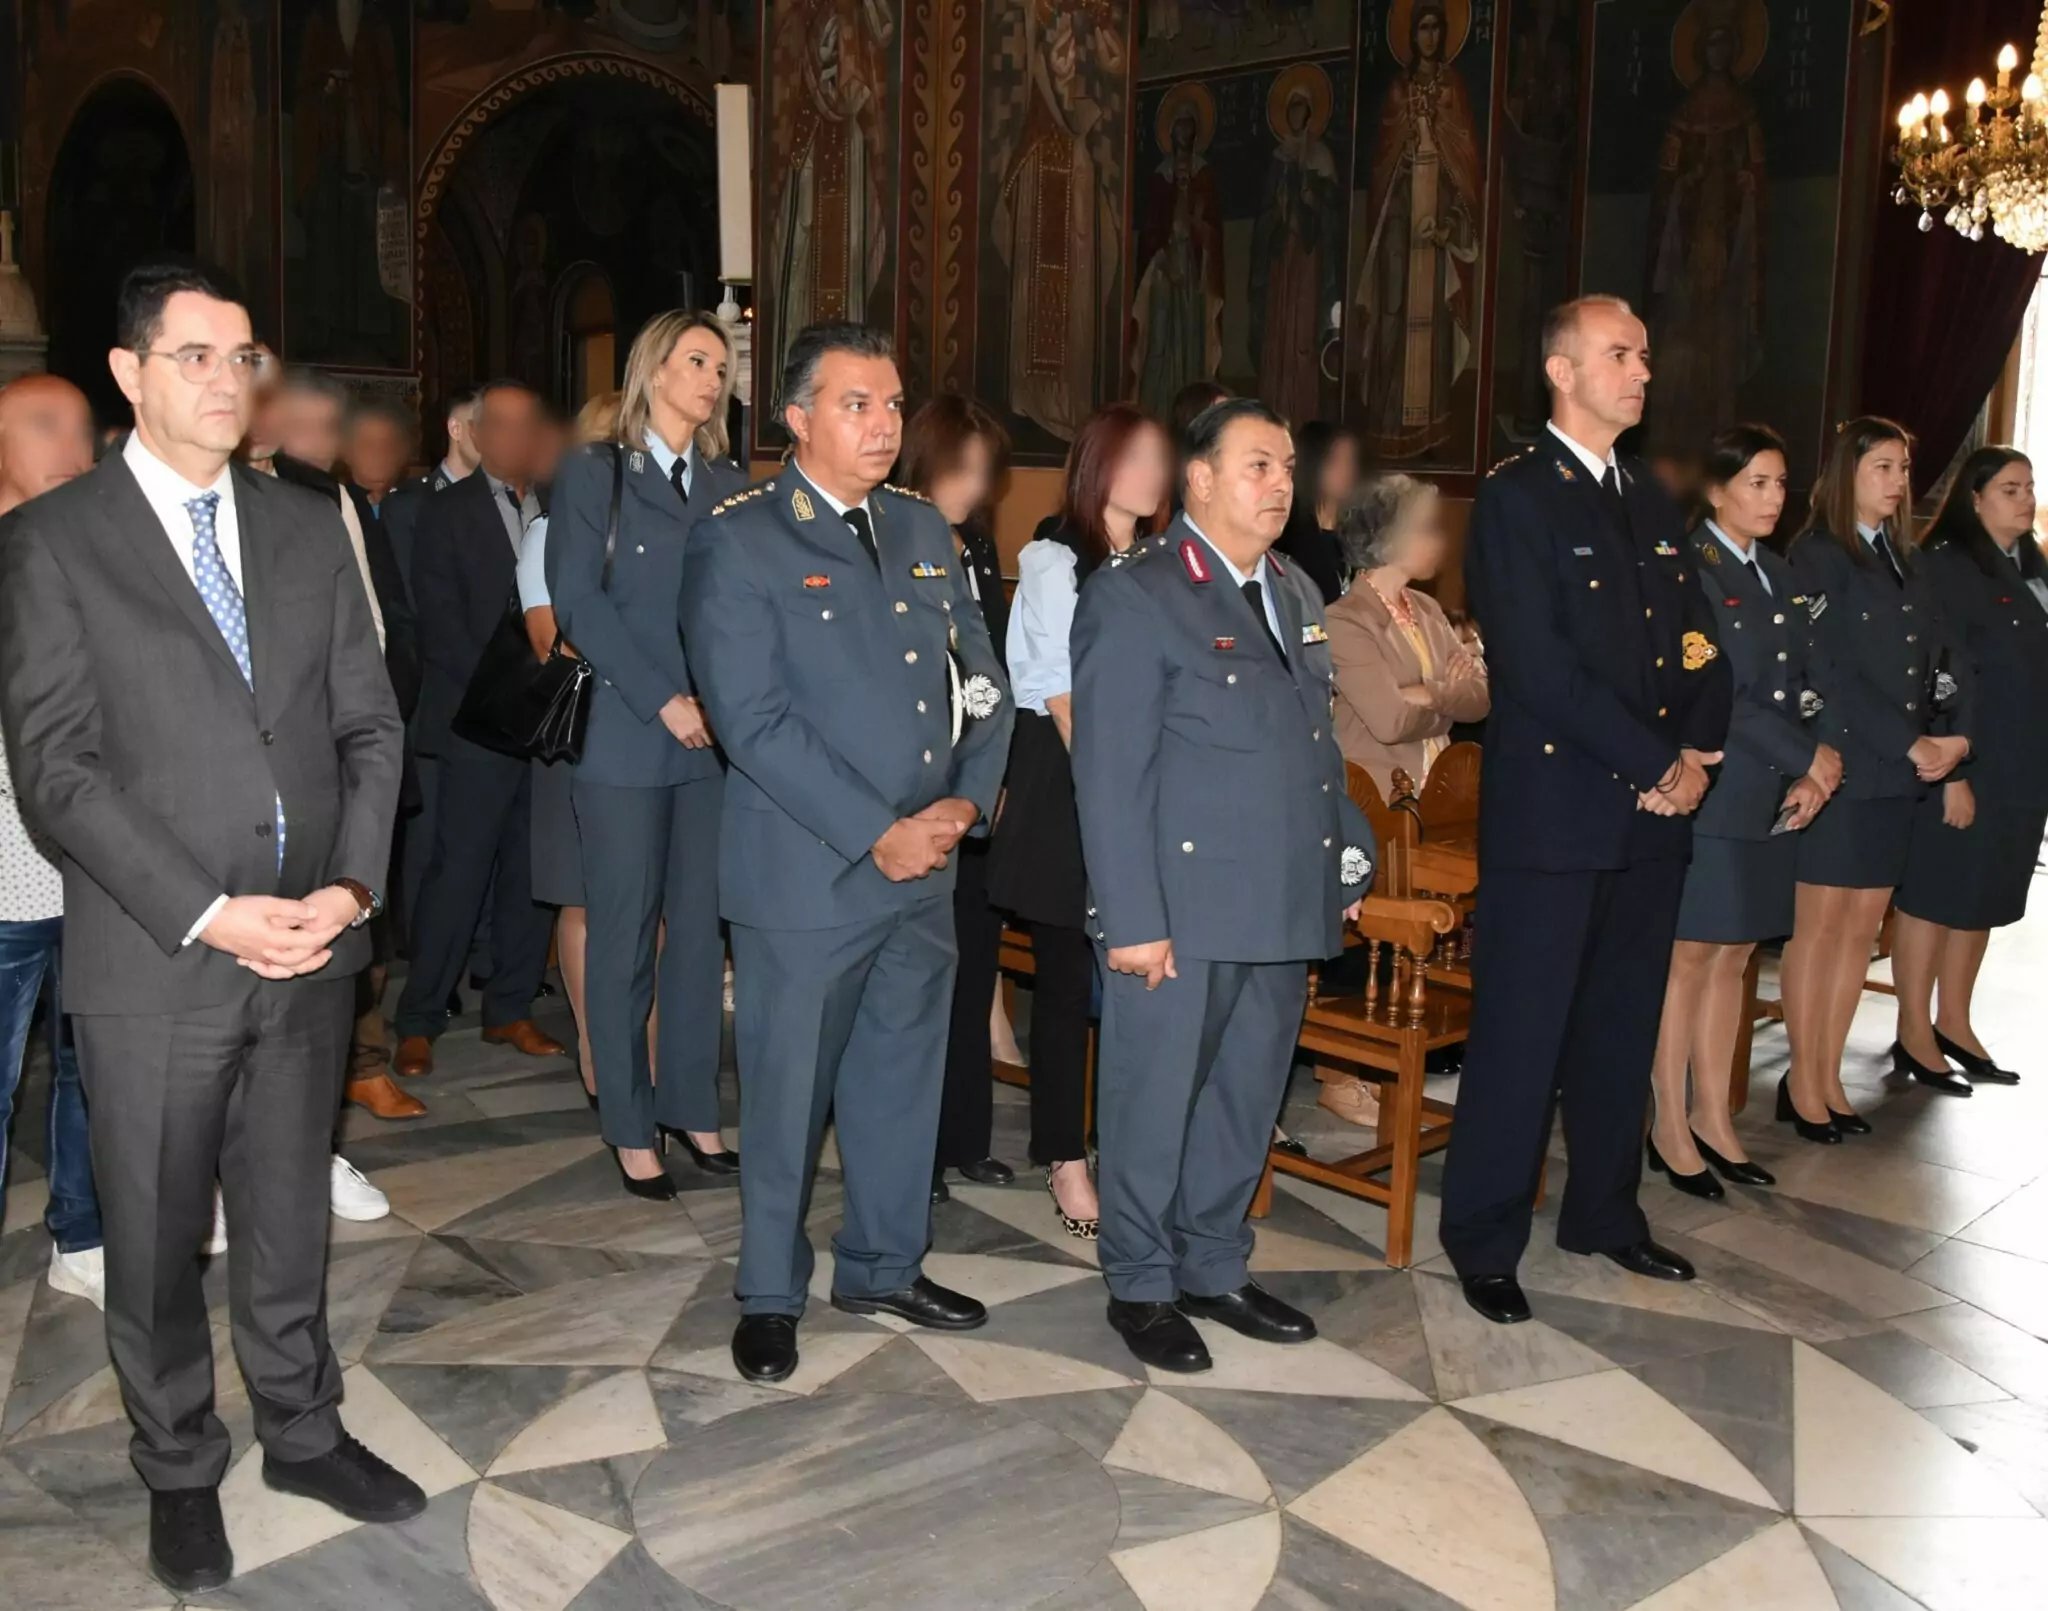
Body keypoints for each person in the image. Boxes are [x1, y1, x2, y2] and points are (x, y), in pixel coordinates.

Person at [0, 257, 421, 1595]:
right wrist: (209, 911)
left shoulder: (304, 523)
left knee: (289, 1208)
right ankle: (178, 1464)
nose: (229, 379)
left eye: (242, 356)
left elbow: (371, 723)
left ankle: (302, 1430)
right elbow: (58, 770)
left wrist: (351, 890)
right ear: (129, 373)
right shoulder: (56, 539)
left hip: (311, 941)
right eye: (196, 355)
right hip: (158, 951)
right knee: (155, 1229)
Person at [681, 322, 1013, 1385]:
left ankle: (882, 1264)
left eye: (893, 404)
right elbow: (753, 722)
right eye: (856, 404)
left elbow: (982, 680)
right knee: (788, 1096)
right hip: (809, 874)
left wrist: (964, 802)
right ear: (796, 418)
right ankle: (769, 1295)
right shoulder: (741, 539)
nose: (882, 424)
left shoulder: (920, 526)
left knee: (901, 1080)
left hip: (926, 865)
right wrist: (880, 831)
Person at [1436, 296, 1730, 1328]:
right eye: (1619, 354)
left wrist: (1697, 749)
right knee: (1522, 1037)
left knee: (1618, 1027)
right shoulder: (1517, 497)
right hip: (1557, 817)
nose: (1641, 371)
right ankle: (1483, 1238)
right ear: (1561, 372)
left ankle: (1605, 1213)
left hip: (1652, 815)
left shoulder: (1646, 495)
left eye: (1644, 354)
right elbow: (1538, 665)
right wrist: (1654, 759)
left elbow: (1696, 638)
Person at [1071, 396, 1376, 1374]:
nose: (1280, 483)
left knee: (1244, 1099)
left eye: (1285, 465)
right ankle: (1140, 1282)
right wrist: (1131, 918)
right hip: (1181, 908)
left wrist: (1343, 857)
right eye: (1257, 465)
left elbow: (1315, 748)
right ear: (1197, 478)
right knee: (1154, 1103)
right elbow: (1109, 773)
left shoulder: (1293, 589)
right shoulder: (1140, 592)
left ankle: (1212, 1263)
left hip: (1280, 896)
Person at [549, 313, 746, 1196]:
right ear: (654, 368)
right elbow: (577, 602)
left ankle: (693, 1108)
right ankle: (630, 1125)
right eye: (697, 360)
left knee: (700, 934)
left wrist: (723, 704)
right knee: (625, 934)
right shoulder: (597, 471)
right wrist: (662, 697)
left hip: (711, 740)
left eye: (722, 366)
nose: (712, 377)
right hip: (628, 733)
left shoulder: (730, 484)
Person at [989, 404, 1172, 1239]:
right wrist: (1116, 798)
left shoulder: (1166, 562)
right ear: (1097, 464)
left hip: (1151, 788)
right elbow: (1064, 699)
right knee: (1066, 984)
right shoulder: (1054, 558)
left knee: (1142, 983)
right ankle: (1064, 1156)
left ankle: (1134, 1149)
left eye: (1158, 458)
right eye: (1133, 458)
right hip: (1073, 788)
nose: (1150, 473)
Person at [1646, 425, 1837, 1197]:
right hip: (1718, 787)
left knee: (1736, 955)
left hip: (1772, 791)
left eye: (1781, 482)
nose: (1773, 497)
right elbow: (1722, 689)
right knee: (1690, 956)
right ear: (1717, 488)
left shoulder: (1778, 573)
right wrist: (1805, 756)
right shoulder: (1694, 568)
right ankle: (1668, 1120)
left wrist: (1816, 767)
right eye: (1757, 482)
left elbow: (1807, 681)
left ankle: (1713, 1116)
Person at [1781, 418, 1973, 1138]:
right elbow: (1830, 672)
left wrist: (1954, 737)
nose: (1898, 482)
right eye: (1882, 467)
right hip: (1841, 765)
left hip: (1896, 772)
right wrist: (1908, 740)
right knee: (1820, 929)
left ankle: (1828, 1074)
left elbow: (1937, 654)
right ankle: (1802, 1080)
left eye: (1903, 468)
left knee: (1860, 933)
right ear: (1848, 473)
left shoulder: (1906, 558)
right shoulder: (1818, 554)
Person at [247, 368, 421, 1138]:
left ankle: (359, 1067)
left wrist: (371, 723)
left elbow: (379, 624)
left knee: (357, 912)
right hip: (265, 768)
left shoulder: (332, 500)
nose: (322, 442)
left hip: (347, 744)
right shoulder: (232, 503)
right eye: (306, 425)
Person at [392, 381, 566, 1075]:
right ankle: (419, 1017)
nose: (517, 437)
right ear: (480, 432)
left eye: (529, 425)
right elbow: (440, 626)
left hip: (546, 726)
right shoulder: (442, 511)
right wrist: (514, 697)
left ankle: (510, 1007)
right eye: (504, 424)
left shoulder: (558, 507)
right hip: (477, 722)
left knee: (530, 870)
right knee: (457, 873)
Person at [1891, 447, 2048, 1086]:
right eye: (2010, 488)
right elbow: (1936, 672)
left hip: (2021, 762)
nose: (2026, 498)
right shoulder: (1947, 566)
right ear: (1974, 498)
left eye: (2030, 487)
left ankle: (1954, 1020)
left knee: (1983, 896)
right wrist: (1952, 773)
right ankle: (1912, 1031)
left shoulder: (2031, 567)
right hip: (1963, 761)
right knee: (1935, 896)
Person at [0, 373, 106, 1310]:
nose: (73, 448)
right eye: (44, 426)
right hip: (3, 876)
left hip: (93, 871)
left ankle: (84, 1232)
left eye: (82, 428)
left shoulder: (96, 561)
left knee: (92, 1068)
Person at [898, 393, 1019, 1201]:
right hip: (916, 779)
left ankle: (965, 1136)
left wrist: (991, 773)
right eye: (961, 468)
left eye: (983, 472)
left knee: (973, 962)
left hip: (974, 780)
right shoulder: (892, 536)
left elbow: (990, 670)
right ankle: (916, 1153)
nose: (974, 487)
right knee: (917, 980)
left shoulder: (974, 546)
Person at [515, 390, 622, 1098]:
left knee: (649, 905)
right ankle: (593, 1045)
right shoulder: (548, 533)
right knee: (582, 898)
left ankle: (637, 1041)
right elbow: (548, 639)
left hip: (654, 737)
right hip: (578, 733)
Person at [1327, 472, 1490, 798]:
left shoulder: (1427, 608)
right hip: (1381, 802)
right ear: (1390, 538)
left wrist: (1427, 693)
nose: (1440, 540)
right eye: (1427, 528)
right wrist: (1450, 699)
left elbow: (1482, 698)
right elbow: (1390, 722)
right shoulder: (1343, 620)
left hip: (1442, 796)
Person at [1275, 421, 1362, 604]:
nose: (1346, 471)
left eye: (1350, 461)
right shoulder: (1288, 537)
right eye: (1336, 461)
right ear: (1313, 465)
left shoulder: (1357, 532)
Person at [344, 401, 413, 509]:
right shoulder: (333, 508)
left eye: (389, 445)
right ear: (347, 452)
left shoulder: (418, 507)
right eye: (367, 445)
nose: (379, 455)